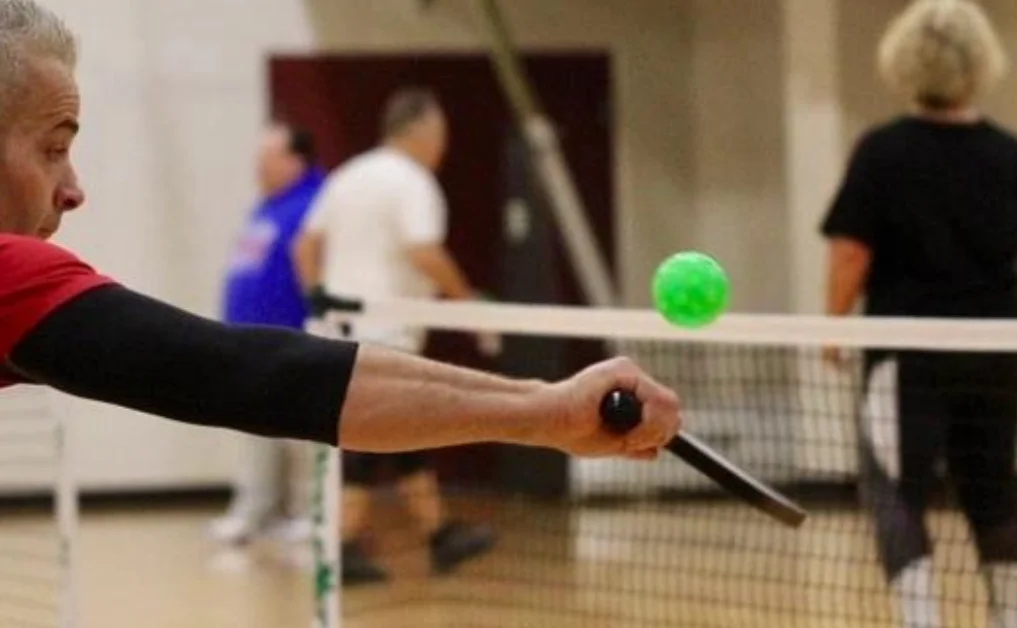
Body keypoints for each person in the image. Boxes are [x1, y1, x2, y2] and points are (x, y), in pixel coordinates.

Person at [0, 0, 681, 540]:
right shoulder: (10, 276)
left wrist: (542, 407)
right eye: (53, 148)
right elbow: (247, 373)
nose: (74, 187)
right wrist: (544, 409)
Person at [819, 1, 1017, 627]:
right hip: (992, 356)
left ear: (902, 61)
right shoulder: (1012, 155)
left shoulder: (882, 152)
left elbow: (849, 252)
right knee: (994, 496)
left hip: (907, 361)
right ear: (982, 63)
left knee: (894, 495)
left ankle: (921, 620)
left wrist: (831, 324)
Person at [292, 88, 498, 584]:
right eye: (441, 133)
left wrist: (320, 299)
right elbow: (424, 251)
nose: (442, 144)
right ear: (422, 131)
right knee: (370, 441)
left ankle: (438, 534)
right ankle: (339, 550)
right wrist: (467, 302)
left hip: (337, 330)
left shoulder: (349, 174)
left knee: (406, 434)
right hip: (385, 335)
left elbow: (303, 247)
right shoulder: (413, 183)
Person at [209, 120, 325, 546]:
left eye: (267, 158)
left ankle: (309, 517)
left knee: (300, 437)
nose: (258, 167)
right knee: (256, 433)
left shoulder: (315, 205)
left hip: (291, 339)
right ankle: (254, 512)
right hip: (247, 341)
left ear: (296, 160)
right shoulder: (265, 207)